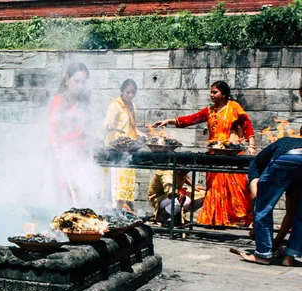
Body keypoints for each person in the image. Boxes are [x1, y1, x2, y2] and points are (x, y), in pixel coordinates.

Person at [153, 81, 256, 227]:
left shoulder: (234, 107)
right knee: (214, 187)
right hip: (214, 153)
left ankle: (236, 218)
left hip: (231, 154)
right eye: (211, 92)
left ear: (224, 94)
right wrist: (168, 121)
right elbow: (190, 119)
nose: (212, 95)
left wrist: (251, 145)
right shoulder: (209, 111)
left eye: (215, 92)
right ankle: (217, 220)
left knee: (236, 188)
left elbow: (247, 125)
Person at [242, 137, 302, 266]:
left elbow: (255, 162)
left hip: (285, 160)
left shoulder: (285, 141)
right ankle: (289, 258)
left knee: (264, 209)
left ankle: (263, 255)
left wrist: (254, 184)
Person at [48, 62, 91, 205]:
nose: (80, 86)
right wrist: (57, 153)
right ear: (67, 79)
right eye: (76, 81)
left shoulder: (84, 101)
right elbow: (51, 128)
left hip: (81, 154)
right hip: (64, 154)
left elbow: (87, 126)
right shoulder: (59, 100)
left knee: (81, 193)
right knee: (66, 194)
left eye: (83, 82)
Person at [104, 79, 145, 212]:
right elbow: (107, 121)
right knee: (116, 179)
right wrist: (108, 125)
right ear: (122, 91)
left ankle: (124, 206)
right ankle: (115, 208)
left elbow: (130, 127)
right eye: (127, 92)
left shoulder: (132, 106)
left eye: (133, 92)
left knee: (126, 178)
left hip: (129, 149)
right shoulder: (115, 105)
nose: (130, 95)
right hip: (116, 149)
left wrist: (141, 134)